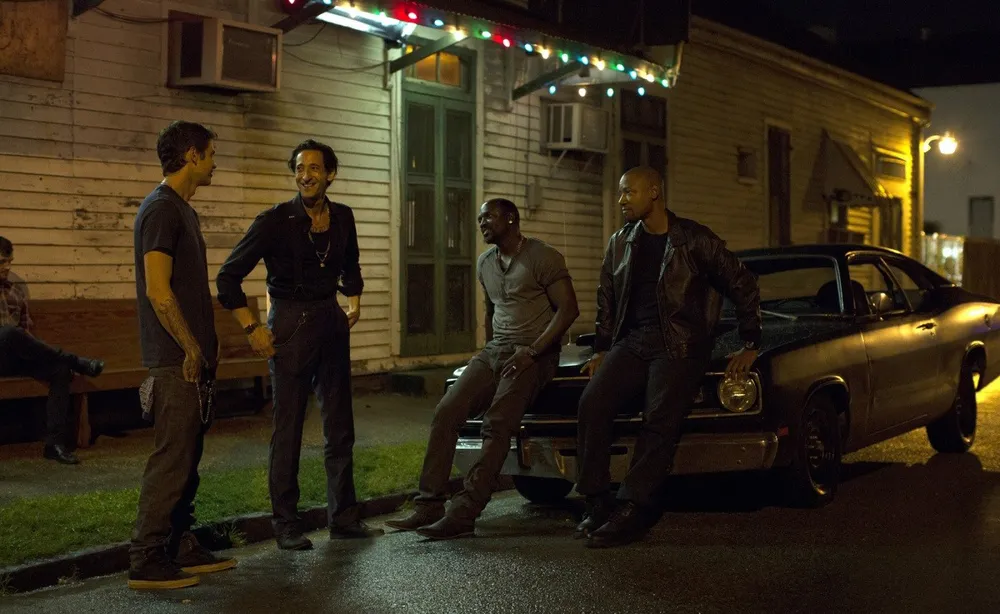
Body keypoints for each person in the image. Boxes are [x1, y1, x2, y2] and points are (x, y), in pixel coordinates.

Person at [575, 166, 761, 549]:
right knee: (592, 403)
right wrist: (602, 349)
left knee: (658, 418)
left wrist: (750, 342)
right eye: (621, 192)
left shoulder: (693, 239)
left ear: (654, 193)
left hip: (680, 344)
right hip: (634, 342)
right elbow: (607, 297)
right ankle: (596, 500)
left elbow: (742, 281)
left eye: (629, 192)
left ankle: (633, 507)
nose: (622, 200)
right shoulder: (621, 242)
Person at [216, 139, 380, 551]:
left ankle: (343, 518)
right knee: (287, 428)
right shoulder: (274, 220)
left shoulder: (343, 216)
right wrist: (252, 327)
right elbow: (228, 278)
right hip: (289, 325)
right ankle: (286, 524)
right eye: (299, 169)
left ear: (330, 174)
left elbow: (351, 263)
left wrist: (354, 301)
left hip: (330, 320)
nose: (305, 176)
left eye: (314, 168)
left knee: (340, 425)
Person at [385, 198, 580, 540]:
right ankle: (430, 504)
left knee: (498, 423)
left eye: (489, 217)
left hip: (534, 354)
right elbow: (492, 311)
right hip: (496, 351)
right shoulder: (485, 263)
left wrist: (533, 352)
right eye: (479, 219)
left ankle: (464, 512)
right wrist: (489, 354)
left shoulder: (542, 256)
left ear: (511, 219)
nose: (482, 224)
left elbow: (568, 310)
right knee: (446, 412)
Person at [129, 121, 236, 590]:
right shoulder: (160, 210)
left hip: (195, 359)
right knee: (171, 459)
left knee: (188, 458)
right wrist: (190, 345)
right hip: (176, 361)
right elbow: (158, 289)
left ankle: (178, 543)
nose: (215, 163)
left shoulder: (182, 210)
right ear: (192, 155)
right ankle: (146, 556)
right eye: (211, 154)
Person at [0, 237, 104, 465]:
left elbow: (26, 331)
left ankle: (54, 444)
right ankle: (77, 361)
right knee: (7, 333)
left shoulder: (15, 291)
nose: (7, 267)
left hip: (15, 356)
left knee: (60, 369)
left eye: (9, 261)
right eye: (1, 262)